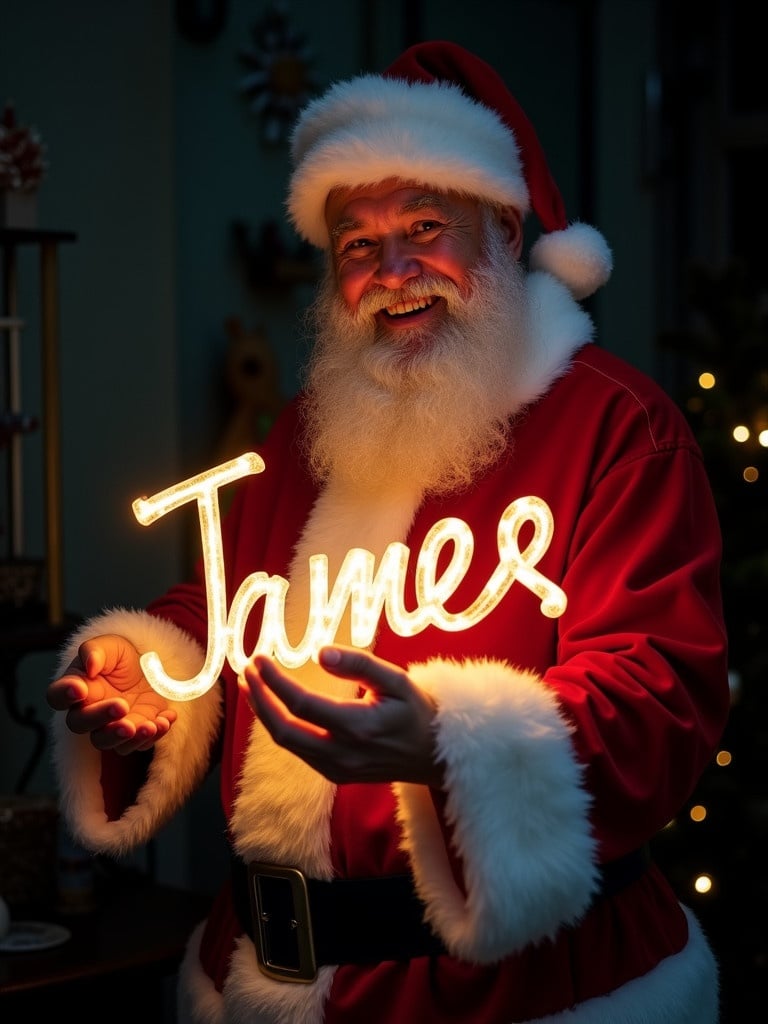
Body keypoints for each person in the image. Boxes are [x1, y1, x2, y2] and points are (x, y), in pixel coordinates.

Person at [47, 40, 729, 1024]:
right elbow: (232, 601)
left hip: (506, 992)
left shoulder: (621, 432)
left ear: (501, 225)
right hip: (257, 975)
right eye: (358, 244)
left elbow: (658, 699)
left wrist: (447, 742)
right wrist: (153, 660)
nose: (393, 268)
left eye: (423, 225)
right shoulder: (307, 429)